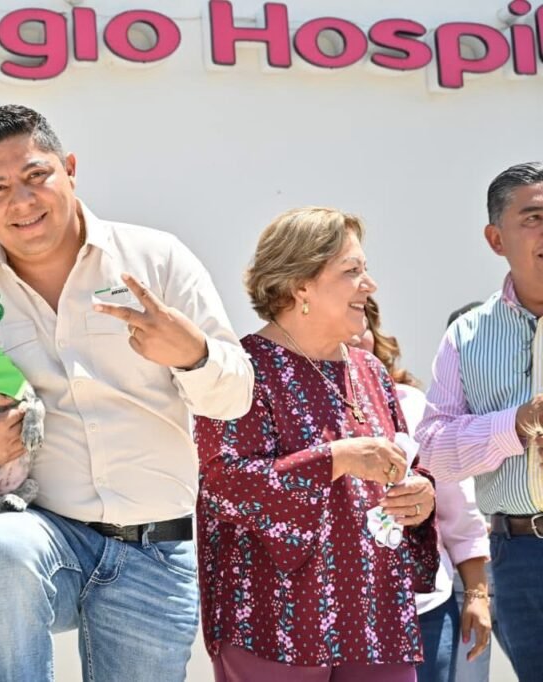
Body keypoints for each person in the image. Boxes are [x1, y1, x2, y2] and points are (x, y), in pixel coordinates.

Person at [0, 104, 254, 682]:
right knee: (3, 546)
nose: (22, 201)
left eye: (36, 175)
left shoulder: (155, 260)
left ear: (69, 169)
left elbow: (235, 396)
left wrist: (191, 353)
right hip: (44, 532)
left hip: (155, 549)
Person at [196, 207, 439, 682]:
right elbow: (226, 486)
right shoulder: (243, 370)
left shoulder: (371, 372)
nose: (369, 285)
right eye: (352, 271)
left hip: (375, 619)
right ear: (300, 285)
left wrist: (420, 496)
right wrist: (336, 459)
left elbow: (406, 468)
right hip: (277, 624)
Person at [415, 161, 543, 682]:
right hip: (519, 555)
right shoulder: (467, 336)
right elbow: (432, 450)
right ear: (496, 239)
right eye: (533, 218)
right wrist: (513, 427)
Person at [354, 298, 490, 682]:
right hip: (338, 616)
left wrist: (477, 595)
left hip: (425, 611)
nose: (354, 336)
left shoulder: (413, 405)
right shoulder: (294, 406)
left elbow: (458, 510)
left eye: (362, 323)